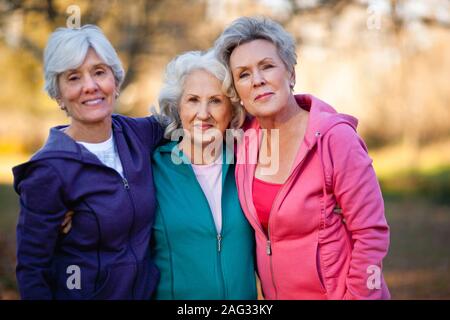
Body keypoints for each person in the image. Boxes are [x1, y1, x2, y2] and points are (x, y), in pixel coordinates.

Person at [214, 16, 391, 300]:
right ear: (237, 91)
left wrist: (360, 296)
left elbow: (371, 234)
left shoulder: (335, 138)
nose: (257, 80)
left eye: (267, 66)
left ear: (291, 74)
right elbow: (192, 123)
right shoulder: (244, 140)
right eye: (243, 74)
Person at [12, 25, 162, 299]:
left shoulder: (140, 135)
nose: (90, 86)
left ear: (115, 81)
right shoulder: (48, 171)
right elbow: (32, 271)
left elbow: (193, 115)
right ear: (58, 95)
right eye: (73, 77)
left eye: (99, 72)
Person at [151, 50, 257, 299]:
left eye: (216, 101)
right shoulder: (151, 169)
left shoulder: (249, 164)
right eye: (193, 100)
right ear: (178, 107)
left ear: (232, 110)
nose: (203, 113)